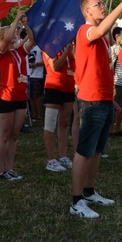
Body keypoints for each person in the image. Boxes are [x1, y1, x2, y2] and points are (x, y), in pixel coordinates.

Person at [69, 0, 122, 219]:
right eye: (98, 5)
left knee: (96, 150)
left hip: (103, 98)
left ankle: (89, 192)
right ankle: (76, 201)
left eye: (103, 4)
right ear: (87, 12)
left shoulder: (101, 39)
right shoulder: (86, 31)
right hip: (91, 100)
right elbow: (101, 30)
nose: (102, 6)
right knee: (84, 150)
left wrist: (109, 97)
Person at [0, 11, 35, 180]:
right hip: (6, 97)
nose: (16, 35)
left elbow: (32, 39)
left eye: (17, 34)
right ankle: (0, 171)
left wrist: (25, 24)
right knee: (4, 135)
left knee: (14, 135)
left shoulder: (20, 52)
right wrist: (16, 19)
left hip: (20, 97)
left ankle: (10, 168)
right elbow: (6, 39)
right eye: (13, 34)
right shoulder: (1, 52)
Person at [43, 42, 76, 172]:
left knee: (64, 123)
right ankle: (50, 159)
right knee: (50, 124)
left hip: (68, 86)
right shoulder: (48, 46)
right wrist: (67, 52)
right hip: (54, 86)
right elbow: (55, 66)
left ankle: (62, 156)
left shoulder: (66, 44)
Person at [28, 44, 45, 121]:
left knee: (37, 95)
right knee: (30, 95)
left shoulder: (40, 47)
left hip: (38, 75)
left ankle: (39, 114)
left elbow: (45, 60)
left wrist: (37, 64)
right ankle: (33, 113)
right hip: (29, 74)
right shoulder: (27, 47)